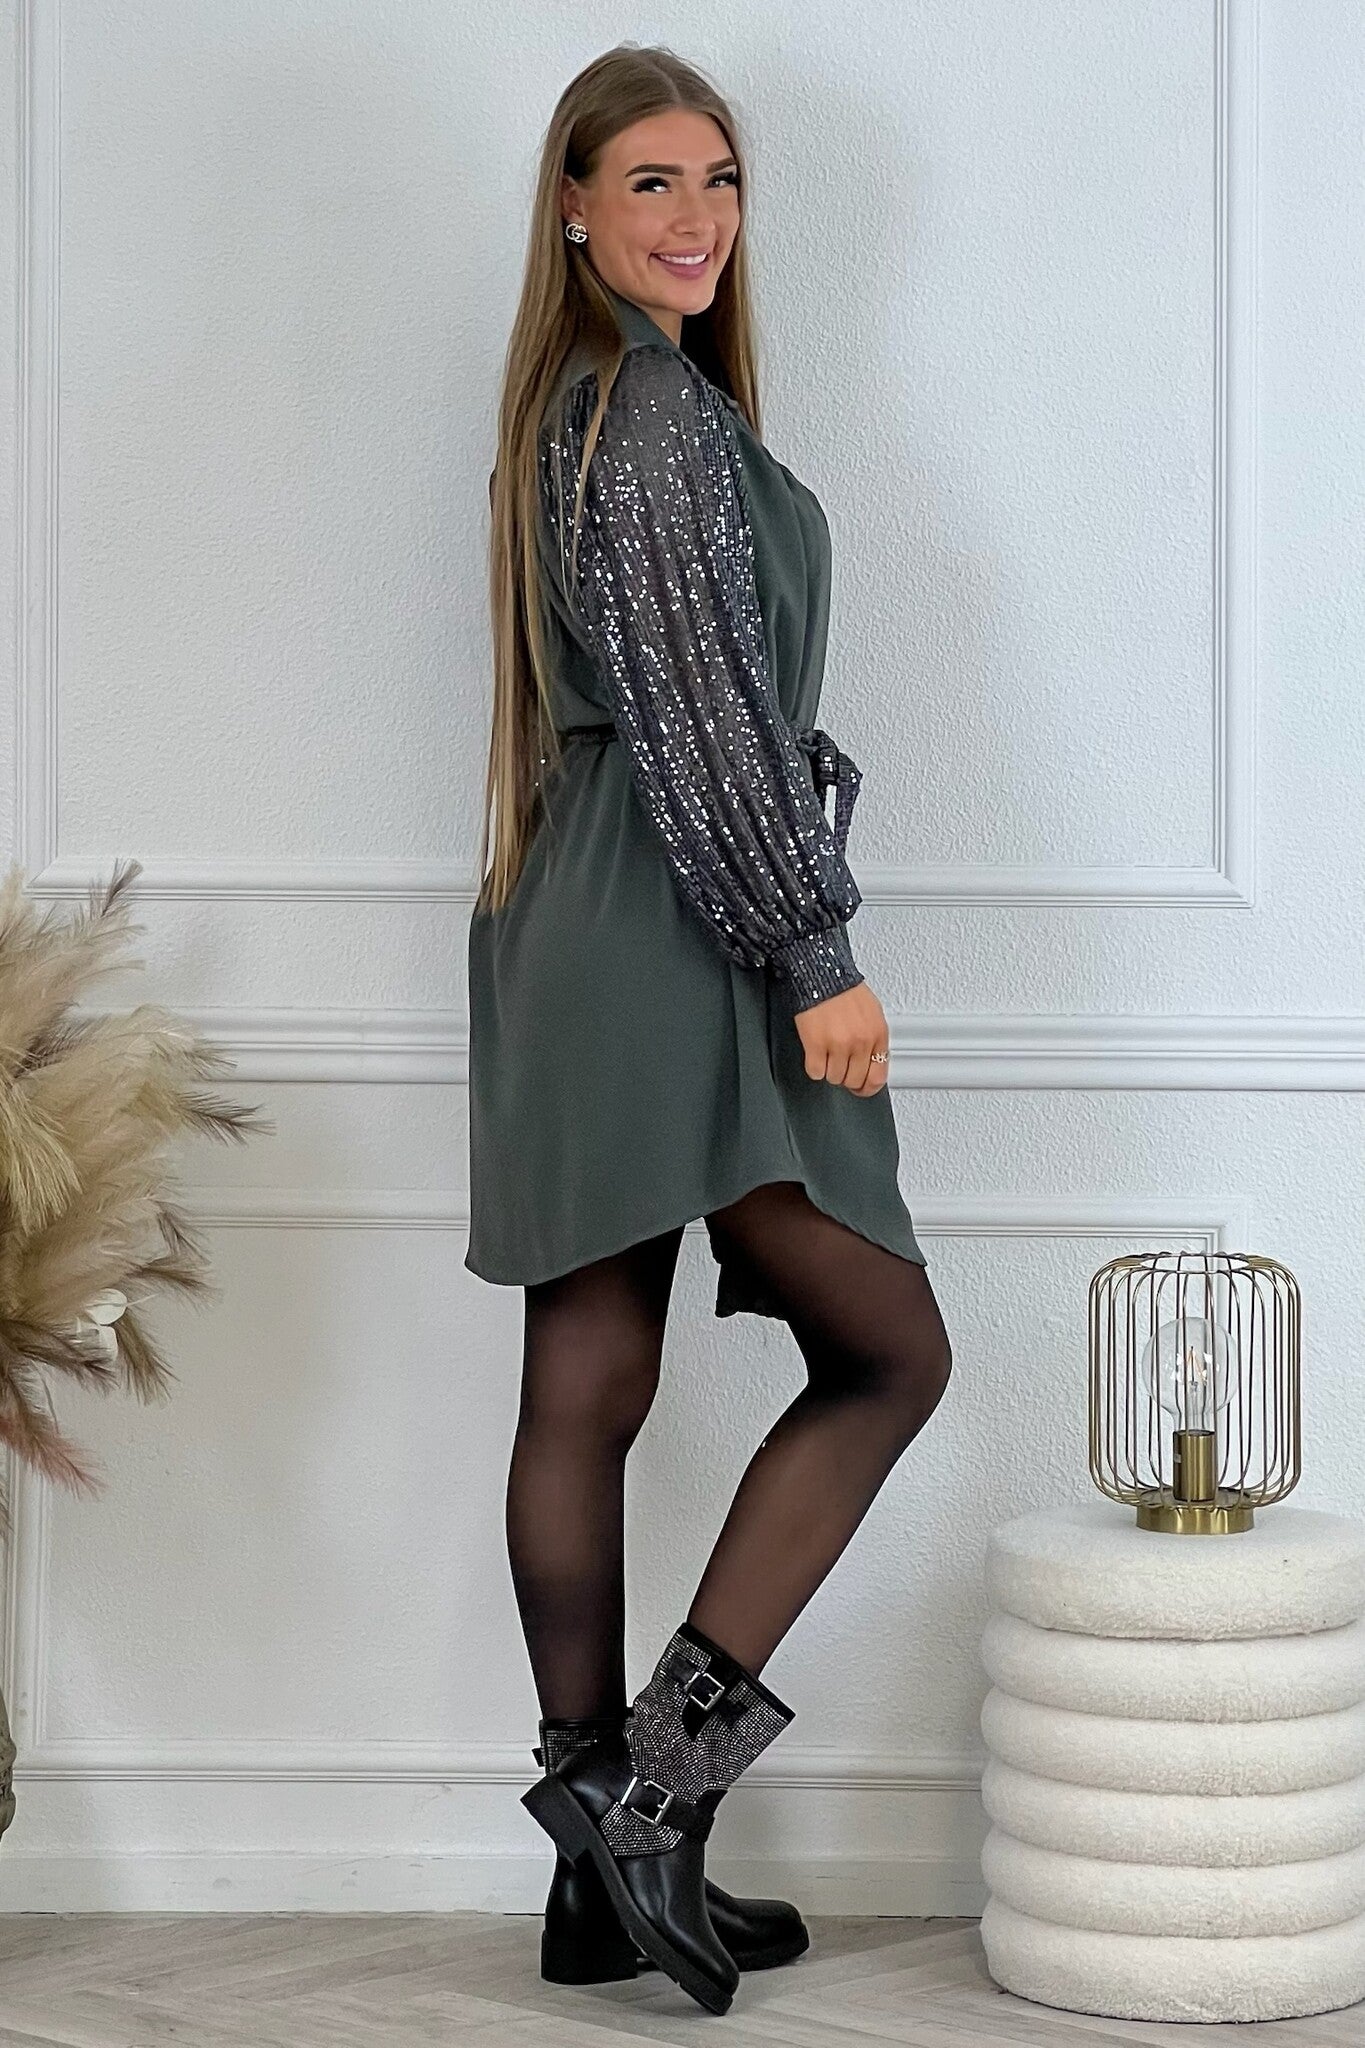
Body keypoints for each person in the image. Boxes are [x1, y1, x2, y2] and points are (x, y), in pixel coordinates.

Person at [466, 44, 954, 2016]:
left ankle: (596, 1865)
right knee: (889, 1350)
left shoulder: (578, 405)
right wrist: (813, 954)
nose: (693, 219)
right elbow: (708, 726)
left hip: (573, 909)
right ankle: (654, 1804)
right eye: (650, 182)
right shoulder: (646, 413)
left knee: (586, 1369)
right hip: (675, 918)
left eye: (719, 181)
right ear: (574, 207)